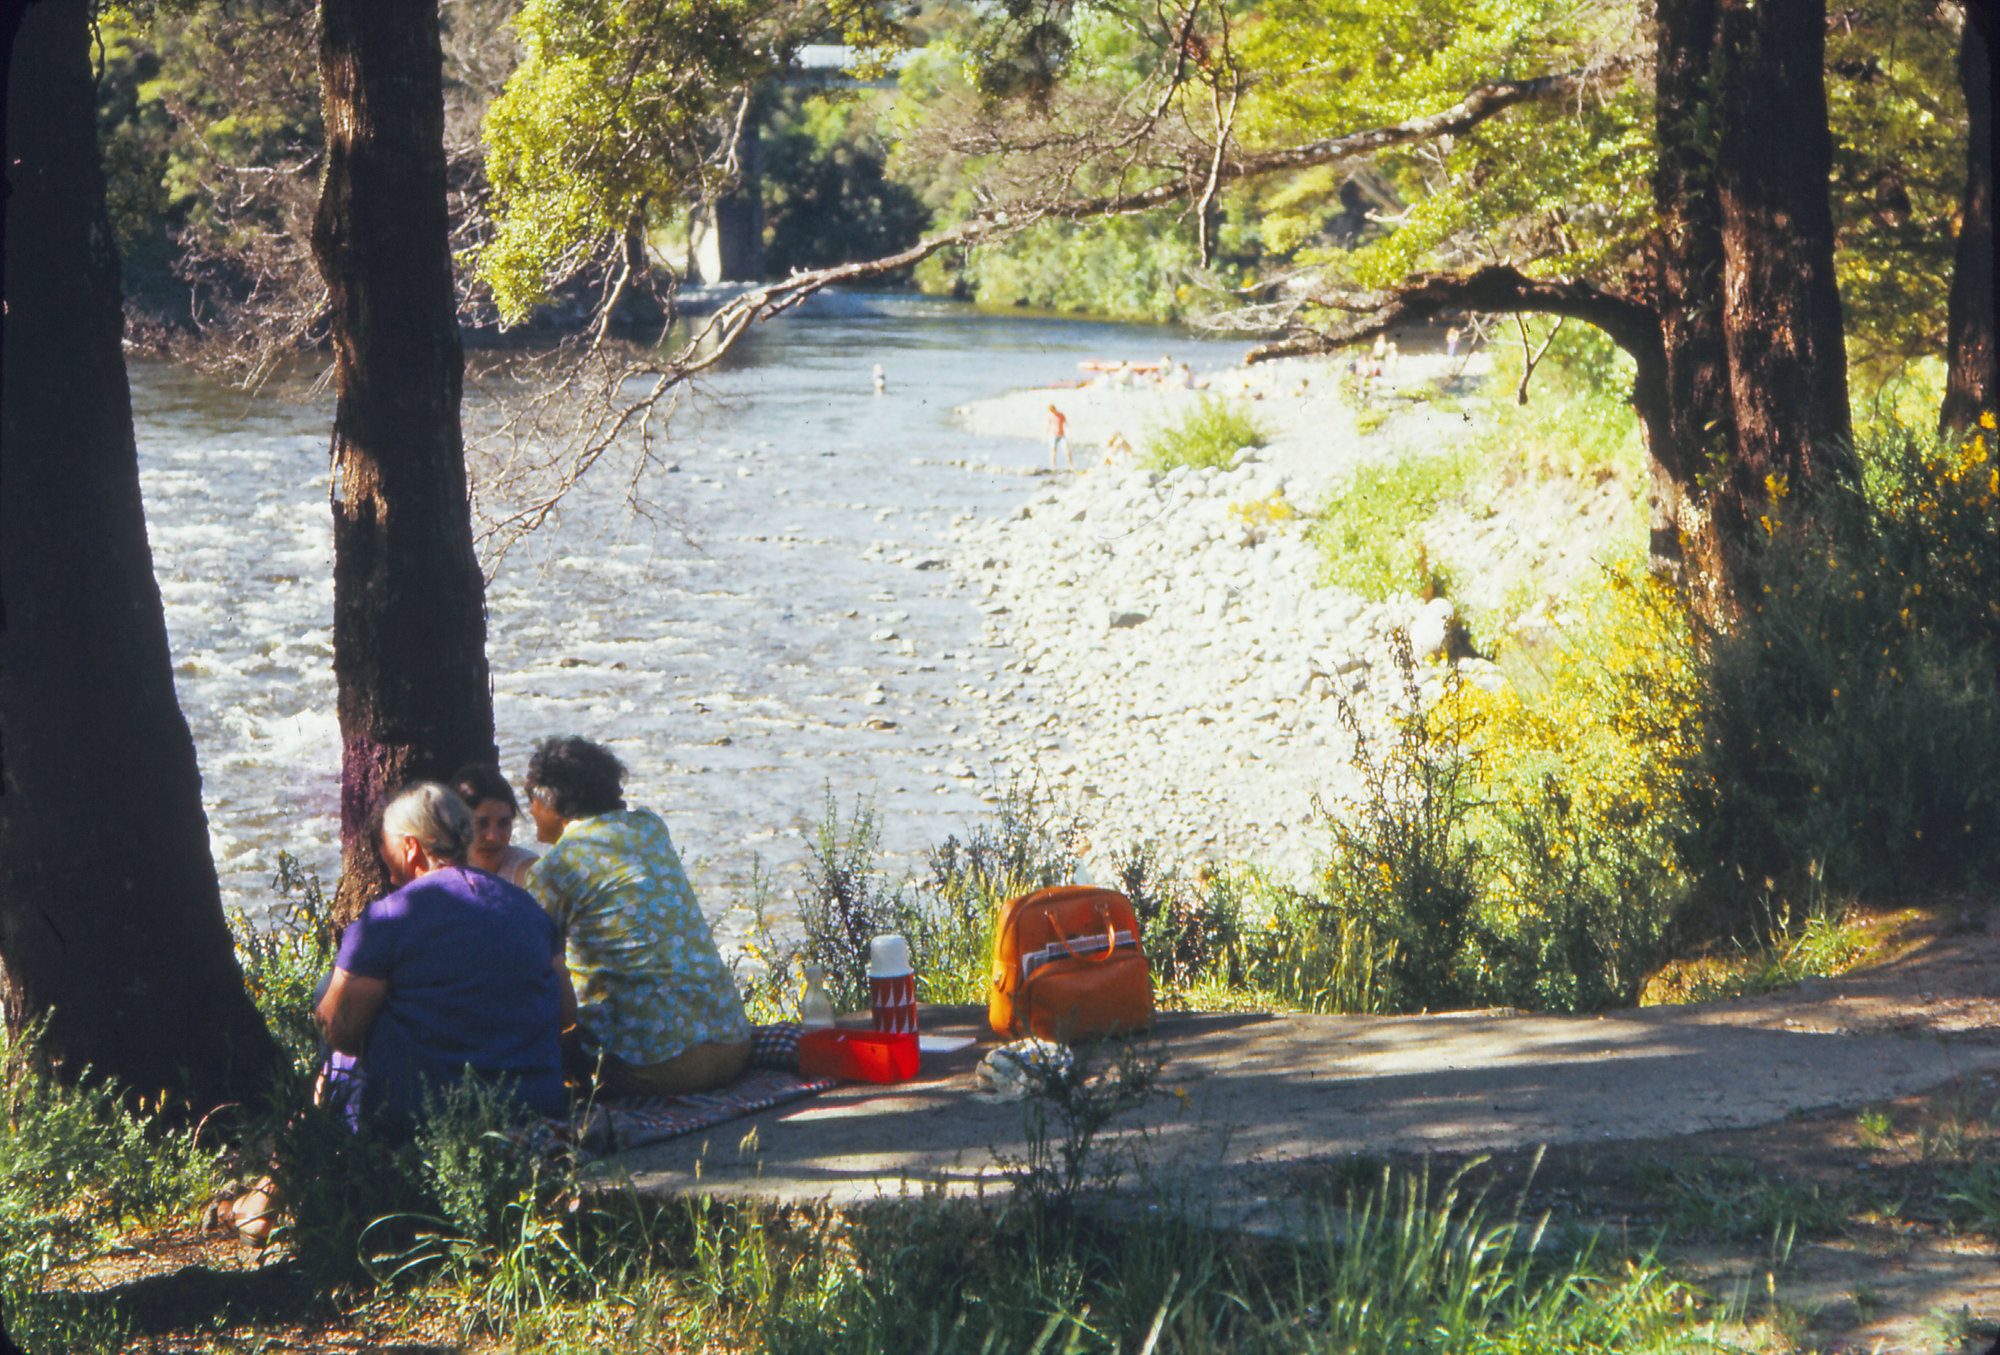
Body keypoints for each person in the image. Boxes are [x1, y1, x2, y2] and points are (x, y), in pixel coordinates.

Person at [316, 783, 568, 1131]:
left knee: (328, 990)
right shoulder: (528, 908)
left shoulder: (387, 919)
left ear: (411, 847)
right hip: (534, 1106)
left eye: (384, 843)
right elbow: (565, 1012)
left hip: (425, 1120)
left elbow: (339, 1032)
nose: (382, 854)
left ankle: (318, 1136)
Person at [523, 736, 752, 1097]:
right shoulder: (650, 827)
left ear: (551, 804)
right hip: (734, 1043)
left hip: (656, 1067)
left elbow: (528, 965)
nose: (530, 812)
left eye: (530, 800)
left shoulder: (553, 869)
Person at [452, 763, 539, 885]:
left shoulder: (527, 873)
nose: (493, 837)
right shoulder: (438, 875)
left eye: (503, 823)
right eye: (482, 824)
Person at [1045, 404, 1072, 471]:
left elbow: (1066, 424)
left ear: (1055, 409)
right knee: (1053, 451)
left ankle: (1071, 465)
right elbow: (1048, 426)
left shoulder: (1061, 415)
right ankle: (1053, 467)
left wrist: (1069, 433)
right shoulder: (1050, 416)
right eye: (1051, 411)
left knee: (1067, 450)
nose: (1052, 412)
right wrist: (1045, 435)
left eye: (1052, 410)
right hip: (1053, 436)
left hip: (1061, 435)